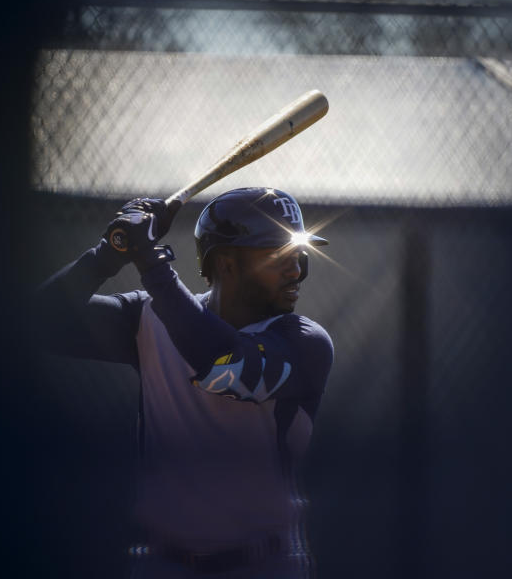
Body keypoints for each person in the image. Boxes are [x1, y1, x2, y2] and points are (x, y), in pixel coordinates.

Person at [35, 187, 334, 578]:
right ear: (226, 264)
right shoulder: (147, 316)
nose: (296, 271)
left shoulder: (304, 341)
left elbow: (222, 366)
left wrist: (151, 262)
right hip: (161, 563)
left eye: (299, 255)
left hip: (264, 564)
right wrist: (109, 252)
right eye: (279, 257)